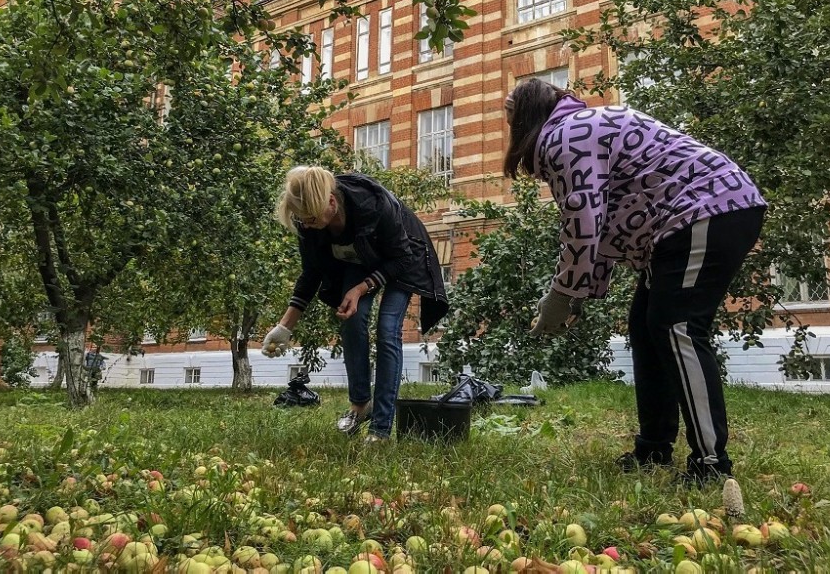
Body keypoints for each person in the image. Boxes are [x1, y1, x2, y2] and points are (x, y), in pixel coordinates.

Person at [504, 79, 766, 483]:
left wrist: (560, 296)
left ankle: (711, 463)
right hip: (686, 222)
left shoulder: (568, 135)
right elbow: (601, 228)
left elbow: (583, 224)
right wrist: (579, 294)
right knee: (645, 327)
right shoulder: (582, 126)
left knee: (675, 327)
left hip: (707, 208)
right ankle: (654, 447)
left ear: (523, 119)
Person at [262, 166, 449, 442]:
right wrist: (284, 327)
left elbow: (402, 257)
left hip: (402, 256)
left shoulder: (373, 205)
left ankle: (381, 428)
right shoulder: (310, 222)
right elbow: (311, 273)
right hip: (361, 259)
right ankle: (360, 406)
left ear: (331, 202)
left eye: (312, 219)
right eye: (303, 220)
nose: (308, 225)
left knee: (387, 331)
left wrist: (361, 288)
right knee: (352, 319)